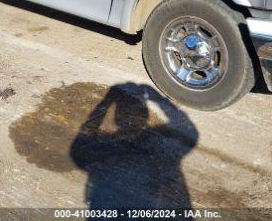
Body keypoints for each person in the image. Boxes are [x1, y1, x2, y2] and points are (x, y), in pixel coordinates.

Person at [70, 83, 198, 211]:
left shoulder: (99, 151)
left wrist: (107, 101)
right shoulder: (156, 151)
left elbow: (85, 134)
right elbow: (189, 131)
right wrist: (157, 98)